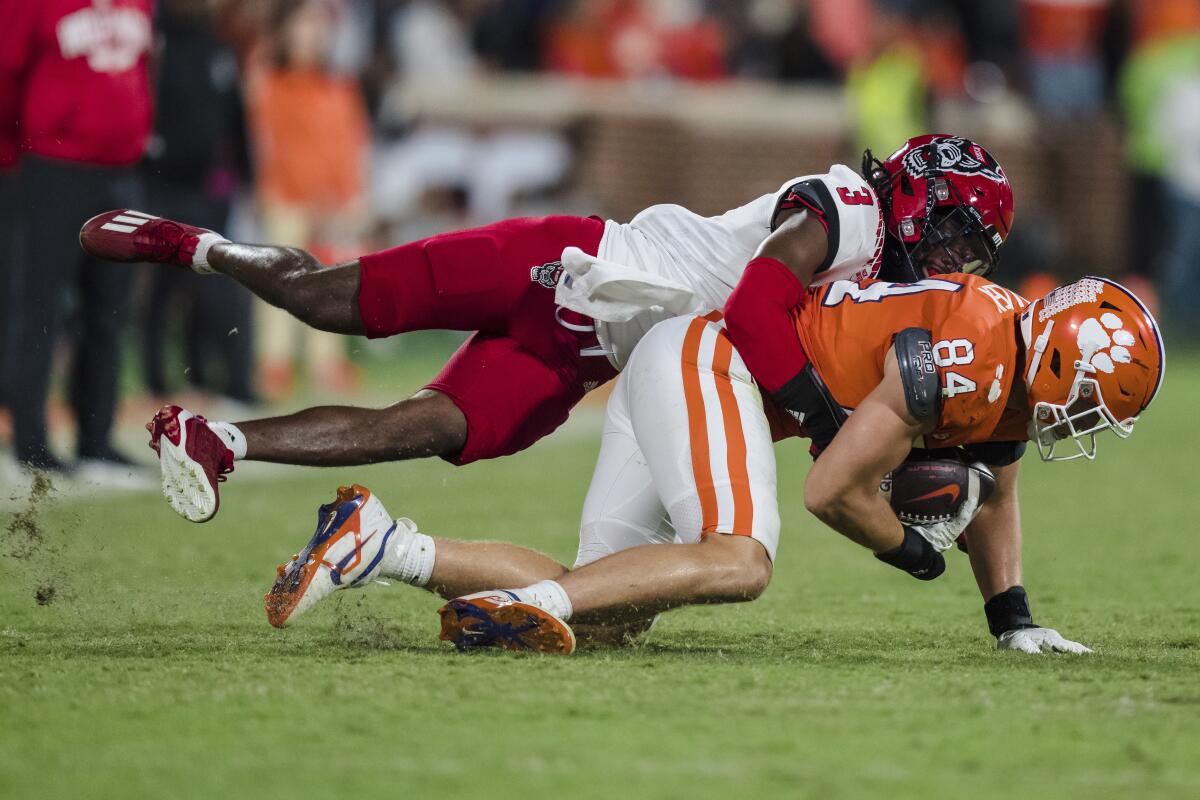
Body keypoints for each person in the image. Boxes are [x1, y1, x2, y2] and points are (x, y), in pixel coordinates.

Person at [79, 134, 1013, 522]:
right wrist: (829, 426)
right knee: (335, 302)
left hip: (592, 355)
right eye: (963, 233)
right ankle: (194, 245)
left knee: (436, 429)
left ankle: (220, 441)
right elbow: (754, 307)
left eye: (978, 248)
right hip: (573, 265)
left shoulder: (893, 284)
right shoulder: (849, 207)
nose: (964, 261)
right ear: (922, 194)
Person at [260, 271, 1164, 655]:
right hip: (710, 363)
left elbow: (997, 484)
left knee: (609, 604)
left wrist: (1011, 618)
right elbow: (831, 491)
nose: (1079, 424)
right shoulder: (964, 352)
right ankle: (521, 610)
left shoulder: (1010, 355)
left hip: (693, 372)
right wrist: (913, 549)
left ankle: (380, 543)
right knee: (740, 558)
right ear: (1063, 364)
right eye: (1092, 401)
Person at [1, 0, 154, 478]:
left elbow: (143, 68)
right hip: (53, 167)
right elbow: (6, 72)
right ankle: (30, 441)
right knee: (41, 309)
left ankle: (97, 437)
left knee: (109, 310)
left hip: (122, 169)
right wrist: (12, 159)